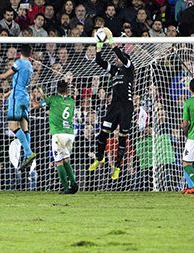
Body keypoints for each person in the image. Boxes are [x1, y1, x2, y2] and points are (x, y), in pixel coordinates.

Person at [88, 28, 135, 180]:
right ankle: (99, 157)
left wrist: (111, 41)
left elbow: (120, 55)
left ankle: (117, 167)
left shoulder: (129, 68)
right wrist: (99, 45)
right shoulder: (114, 71)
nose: (115, 60)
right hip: (114, 106)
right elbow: (98, 61)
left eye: (118, 59)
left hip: (126, 106)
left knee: (122, 137)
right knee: (104, 132)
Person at [0, 44, 35, 171]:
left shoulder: (19, 62)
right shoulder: (30, 66)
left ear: (20, 53)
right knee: (24, 127)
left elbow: (5, 75)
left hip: (16, 98)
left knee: (12, 127)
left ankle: (28, 152)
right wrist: (6, 94)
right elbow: (20, 84)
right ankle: (27, 154)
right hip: (24, 97)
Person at [38, 80, 78, 194]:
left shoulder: (53, 99)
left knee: (58, 161)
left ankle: (66, 188)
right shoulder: (71, 101)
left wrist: (32, 98)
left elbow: (36, 105)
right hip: (70, 133)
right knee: (65, 159)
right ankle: (73, 184)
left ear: (56, 90)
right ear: (67, 90)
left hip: (58, 133)